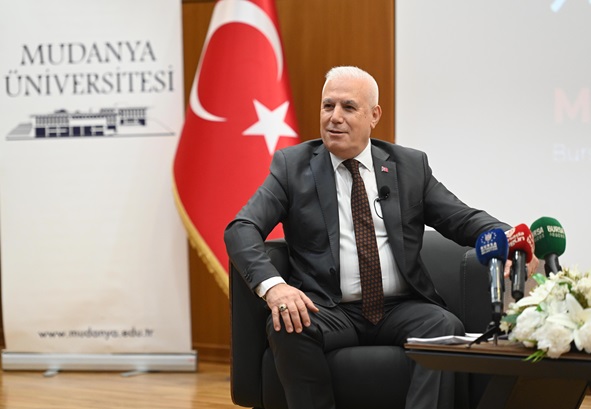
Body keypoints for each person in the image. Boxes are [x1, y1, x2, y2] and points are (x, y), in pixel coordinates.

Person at [224, 66, 537, 409]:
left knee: (443, 326)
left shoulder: (409, 166)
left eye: (348, 107)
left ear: (374, 115)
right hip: (326, 306)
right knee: (288, 324)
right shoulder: (292, 166)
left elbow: (461, 218)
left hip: (400, 306)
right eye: (328, 106)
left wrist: (509, 239)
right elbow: (242, 227)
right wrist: (275, 287)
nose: (335, 117)